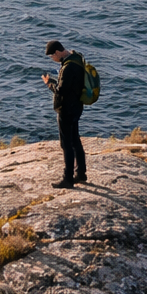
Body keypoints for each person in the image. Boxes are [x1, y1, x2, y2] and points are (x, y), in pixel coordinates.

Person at [41, 40, 87, 188]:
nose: (52, 59)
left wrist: (49, 84)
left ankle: (67, 179)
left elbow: (61, 91)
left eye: (52, 56)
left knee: (66, 144)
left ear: (57, 52)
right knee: (76, 141)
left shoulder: (68, 67)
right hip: (77, 106)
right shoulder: (77, 57)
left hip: (66, 109)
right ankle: (81, 173)